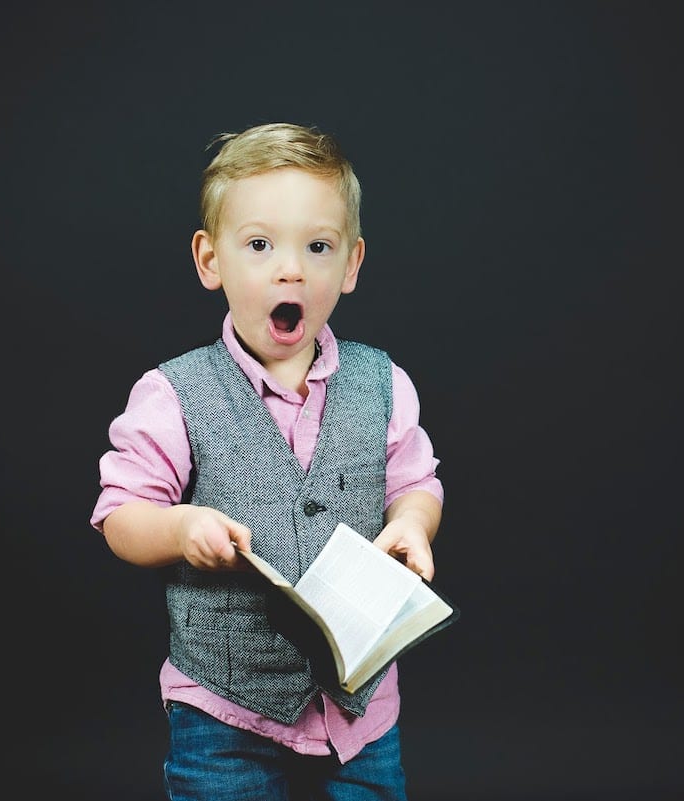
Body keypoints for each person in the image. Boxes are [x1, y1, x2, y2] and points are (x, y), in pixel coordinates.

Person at [90, 122, 444, 801]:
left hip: (361, 714)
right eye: (259, 245)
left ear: (351, 264)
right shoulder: (174, 394)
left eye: (318, 246)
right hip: (225, 711)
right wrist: (178, 527)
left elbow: (416, 481)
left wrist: (414, 522)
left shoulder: (383, 383)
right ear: (209, 259)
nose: (292, 269)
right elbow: (119, 515)